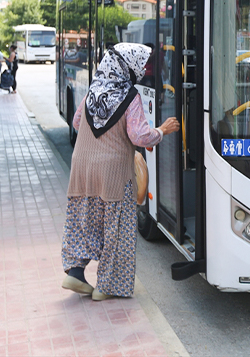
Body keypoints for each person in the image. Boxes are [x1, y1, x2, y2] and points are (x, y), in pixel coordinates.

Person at [60, 43, 180, 301]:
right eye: (140, 65)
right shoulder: (130, 96)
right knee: (115, 227)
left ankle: (76, 271)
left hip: (82, 167)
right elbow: (140, 136)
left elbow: (77, 122)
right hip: (113, 172)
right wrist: (163, 130)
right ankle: (107, 286)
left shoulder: (93, 89)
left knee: (85, 219)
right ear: (129, 67)